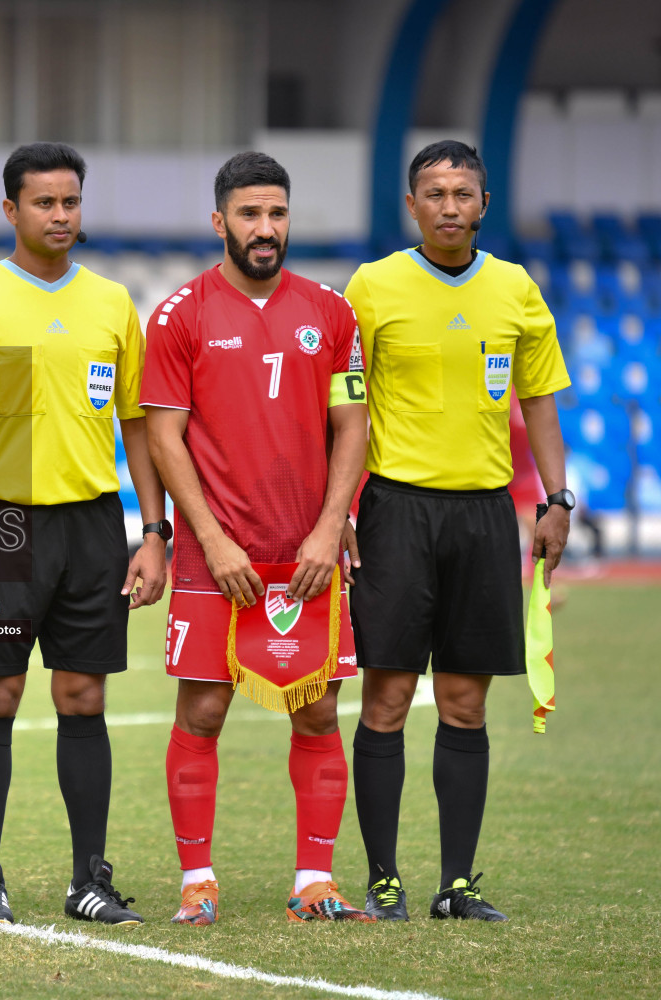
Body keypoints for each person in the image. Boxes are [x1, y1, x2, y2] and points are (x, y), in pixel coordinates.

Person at [141, 151, 374, 926]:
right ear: (220, 223)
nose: (265, 228)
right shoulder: (181, 315)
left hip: (309, 555)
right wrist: (211, 539)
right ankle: (197, 882)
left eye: (276, 213)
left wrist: (330, 525)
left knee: (317, 713)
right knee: (202, 714)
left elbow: (353, 425)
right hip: (221, 556)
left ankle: (316, 879)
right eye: (249, 214)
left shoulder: (332, 314)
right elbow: (165, 439)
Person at [0, 142, 165, 927]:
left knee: (82, 695)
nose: (60, 216)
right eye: (44, 203)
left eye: (70, 203)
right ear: (11, 210)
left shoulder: (110, 303)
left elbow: (138, 426)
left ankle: (87, 879)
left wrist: (153, 532)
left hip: (94, 523)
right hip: (2, 522)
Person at [346, 140, 571, 922]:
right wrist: (338, 512)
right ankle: (382, 880)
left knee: (466, 704)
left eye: (463, 193)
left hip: (483, 514)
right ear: (411, 205)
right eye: (434, 193)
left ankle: (457, 884)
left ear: (483, 204)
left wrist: (556, 499)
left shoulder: (515, 289)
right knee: (387, 695)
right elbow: (344, 410)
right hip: (394, 509)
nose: (449, 206)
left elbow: (539, 401)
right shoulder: (372, 287)